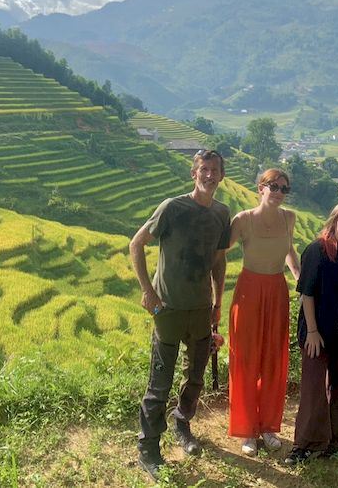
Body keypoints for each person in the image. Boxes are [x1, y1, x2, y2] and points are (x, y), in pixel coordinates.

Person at [129, 150, 231, 480]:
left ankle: (182, 424)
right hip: (169, 308)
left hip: (200, 309)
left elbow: (218, 261)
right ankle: (149, 448)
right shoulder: (172, 207)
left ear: (221, 176)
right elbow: (136, 244)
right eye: (204, 169)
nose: (209, 175)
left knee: (196, 376)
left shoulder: (221, 213)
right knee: (160, 380)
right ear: (194, 173)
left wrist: (217, 303)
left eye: (215, 170)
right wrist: (148, 291)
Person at [285, 201, 338, 466]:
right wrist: (313, 331)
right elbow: (306, 293)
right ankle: (305, 445)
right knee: (314, 389)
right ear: (334, 221)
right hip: (318, 331)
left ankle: (335, 440)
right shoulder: (316, 250)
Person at [227, 168, 301, 456]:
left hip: (277, 290)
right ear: (260, 188)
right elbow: (220, 252)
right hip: (248, 291)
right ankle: (246, 430)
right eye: (273, 186)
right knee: (245, 360)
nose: (279, 192)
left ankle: (268, 425)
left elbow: (290, 252)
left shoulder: (289, 218)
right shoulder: (243, 220)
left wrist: (299, 277)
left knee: (273, 359)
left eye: (284, 187)